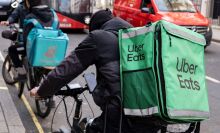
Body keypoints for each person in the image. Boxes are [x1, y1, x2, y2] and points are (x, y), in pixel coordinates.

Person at [29, 8, 169, 133]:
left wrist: (42, 90)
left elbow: (66, 70)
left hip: (120, 118)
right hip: (153, 116)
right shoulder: (138, 39)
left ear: (97, 28)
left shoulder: (98, 37)